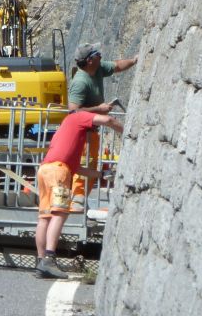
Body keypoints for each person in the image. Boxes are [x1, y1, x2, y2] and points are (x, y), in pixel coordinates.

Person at [35, 110, 124, 279]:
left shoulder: (66, 133)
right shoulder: (78, 117)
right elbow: (109, 119)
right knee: (59, 213)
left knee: (44, 217)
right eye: (95, 128)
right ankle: (49, 259)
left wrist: (101, 175)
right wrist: (126, 132)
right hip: (58, 172)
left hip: (46, 170)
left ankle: (40, 262)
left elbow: (75, 169)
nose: (95, 132)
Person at [67, 42, 138, 204]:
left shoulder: (97, 69)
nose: (101, 55)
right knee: (85, 165)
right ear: (90, 60)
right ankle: (76, 201)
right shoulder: (80, 82)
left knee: (90, 165)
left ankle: (79, 199)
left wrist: (134, 61)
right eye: (97, 53)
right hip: (82, 133)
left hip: (92, 131)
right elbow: (73, 112)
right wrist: (99, 109)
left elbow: (117, 66)